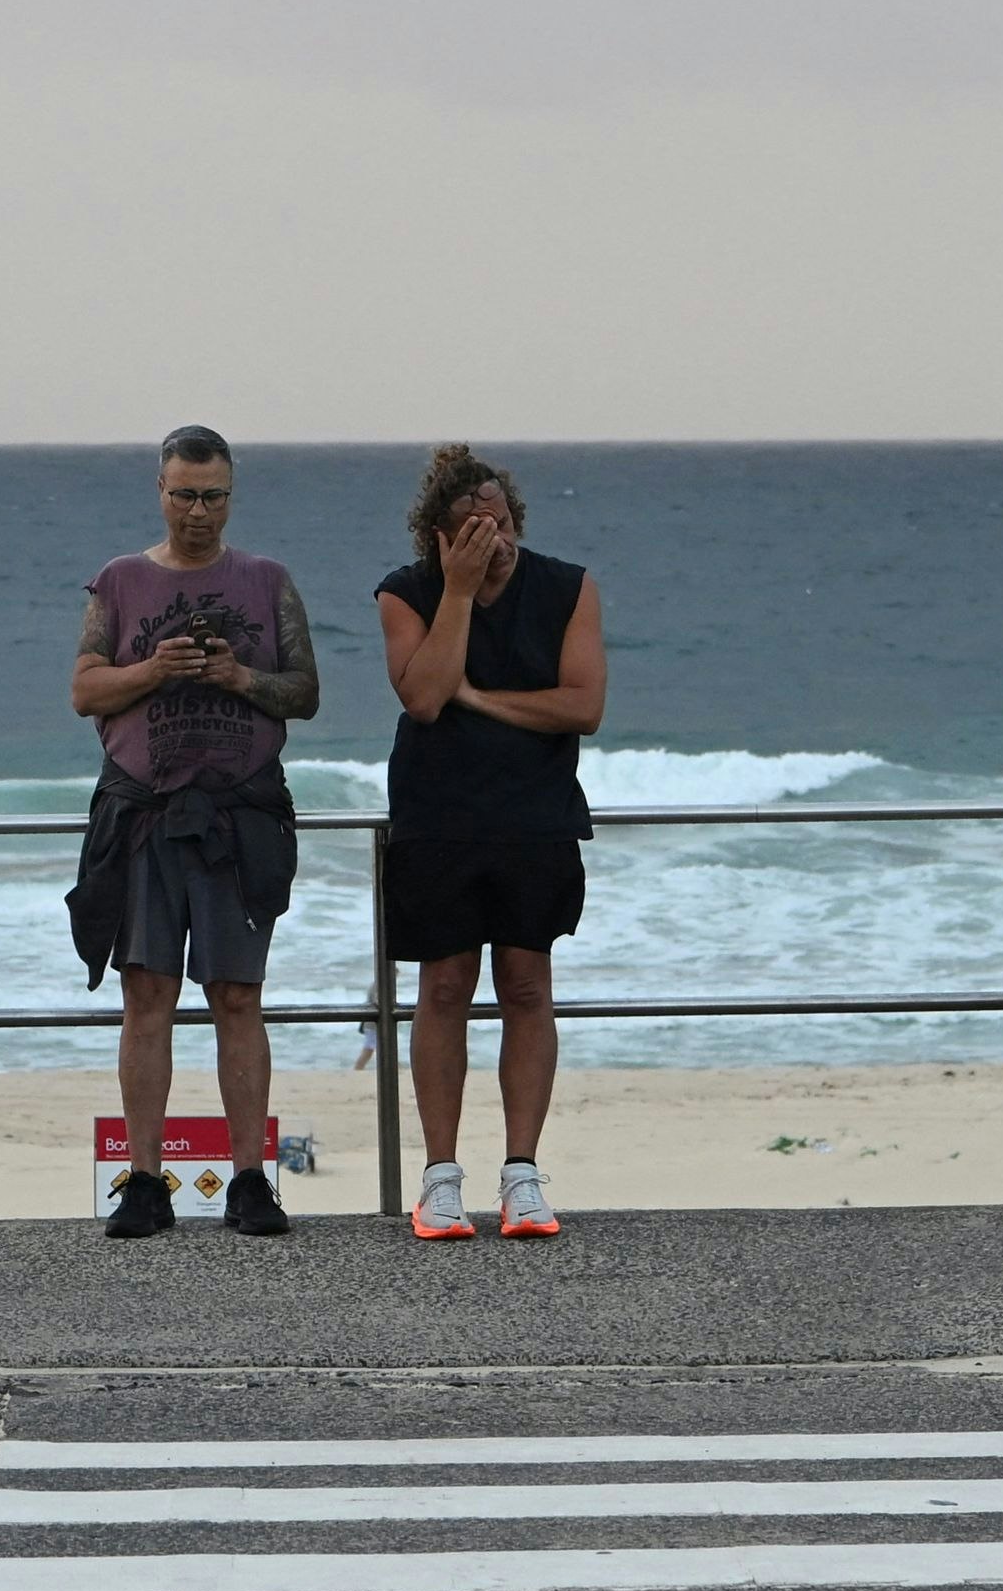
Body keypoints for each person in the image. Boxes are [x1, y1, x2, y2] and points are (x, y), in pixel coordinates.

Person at [64, 425, 319, 1239]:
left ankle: (250, 1178)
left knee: (239, 997)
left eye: (213, 496)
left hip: (239, 813)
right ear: (161, 491)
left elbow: (305, 692)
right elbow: (85, 689)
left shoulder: (269, 580)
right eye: (184, 494)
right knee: (147, 995)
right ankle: (145, 1179)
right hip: (143, 811)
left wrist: (238, 676)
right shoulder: (119, 581)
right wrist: (156, 670)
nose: (198, 510)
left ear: (230, 496)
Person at [376, 443, 606, 1242]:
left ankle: (522, 1175)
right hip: (438, 815)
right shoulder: (407, 594)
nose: (493, 540)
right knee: (442, 988)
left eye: (501, 523)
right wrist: (461, 594)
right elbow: (429, 697)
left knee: (526, 985)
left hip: (534, 815)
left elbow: (582, 707)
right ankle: (440, 1178)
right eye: (473, 530)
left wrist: (486, 696)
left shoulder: (568, 587)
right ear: (440, 538)